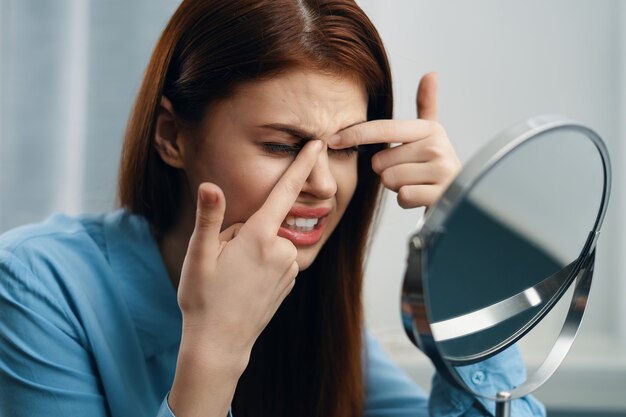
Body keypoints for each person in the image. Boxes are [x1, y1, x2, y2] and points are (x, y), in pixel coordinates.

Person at [0, 1, 545, 416]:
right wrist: (215, 350)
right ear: (172, 136)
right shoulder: (35, 287)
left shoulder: (306, 301)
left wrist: (464, 252)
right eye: (282, 146)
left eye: (345, 149)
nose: (324, 187)